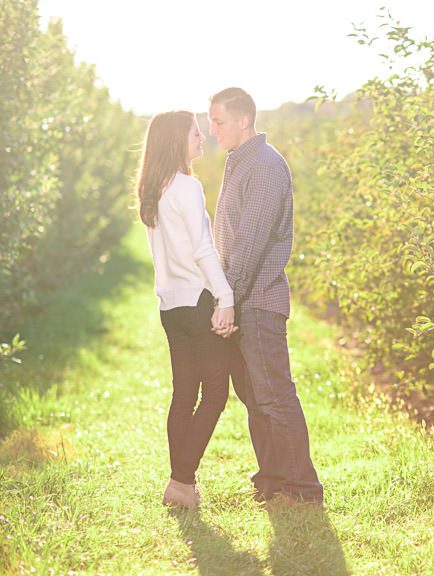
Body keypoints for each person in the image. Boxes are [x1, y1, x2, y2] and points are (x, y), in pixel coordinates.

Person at [208, 87, 324, 505]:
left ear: (243, 119)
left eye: (218, 121)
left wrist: (228, 300)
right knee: (256, 399)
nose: (212, 129)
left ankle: (303, 490)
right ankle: (274, 481)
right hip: (243, 301)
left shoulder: (265, 166)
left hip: (257, 302)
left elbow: (250, 243)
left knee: (275, 396)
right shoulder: (240, 162)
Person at [136, 110, 236, 508]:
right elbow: (202, 249)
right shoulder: (186, 187)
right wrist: (225, 297)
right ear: (178, 139)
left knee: (183, 394)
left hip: (169, 307)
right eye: (196, 133)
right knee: (215, 392)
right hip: (196, 302)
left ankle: (182, 485)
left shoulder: (152, 188)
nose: (202, 138)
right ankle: (180, 482)